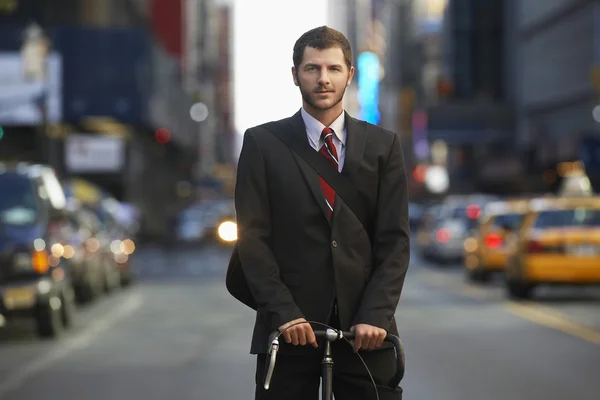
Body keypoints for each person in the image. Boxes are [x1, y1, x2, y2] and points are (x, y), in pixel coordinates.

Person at [233, 26, 410, 400]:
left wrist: (375, 315)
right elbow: (253, 240)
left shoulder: (384, 146)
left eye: (333, 68)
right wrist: (284, 313)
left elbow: (394, 241)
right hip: (288, 328)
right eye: (312, 68)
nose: (323, 79)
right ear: (295, 74)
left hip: (365, 330)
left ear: (350, 74)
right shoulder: (262, 143)